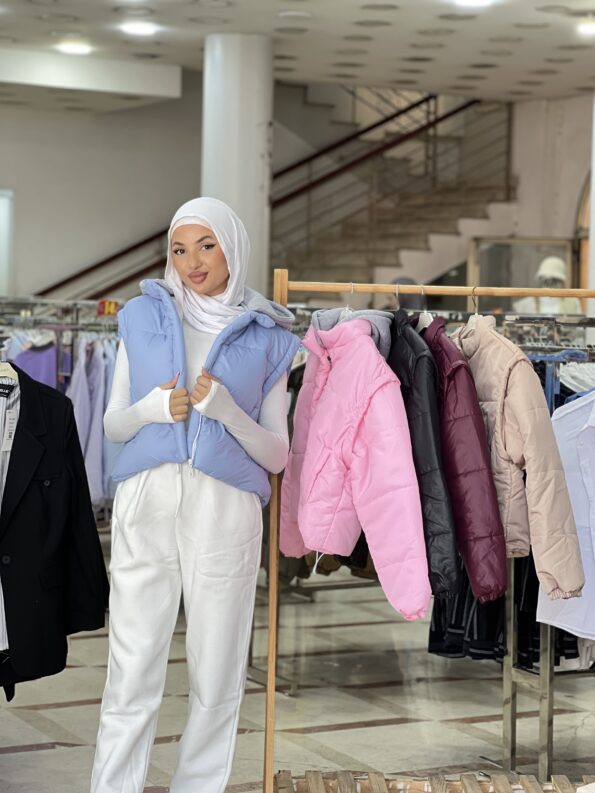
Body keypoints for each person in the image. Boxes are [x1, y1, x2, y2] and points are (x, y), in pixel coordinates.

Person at [90, 197, 300, 793]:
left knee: (217, 673)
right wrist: (153, 409)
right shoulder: (139, 316)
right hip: (147, 496)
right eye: (179, 249)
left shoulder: (271, 337)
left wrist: (227, 410)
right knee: (131, 665)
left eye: (206, 246)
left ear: (231, 247)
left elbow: (277, 455)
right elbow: (113, 425)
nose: (192, 262)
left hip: (225, 506)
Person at [513, 256, 581, 314]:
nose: (550, 283)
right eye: (546, 280)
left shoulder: (573, 303)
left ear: (561, 281)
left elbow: (579, 324)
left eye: (554, 280)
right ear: (540, 279)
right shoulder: (524, 305)